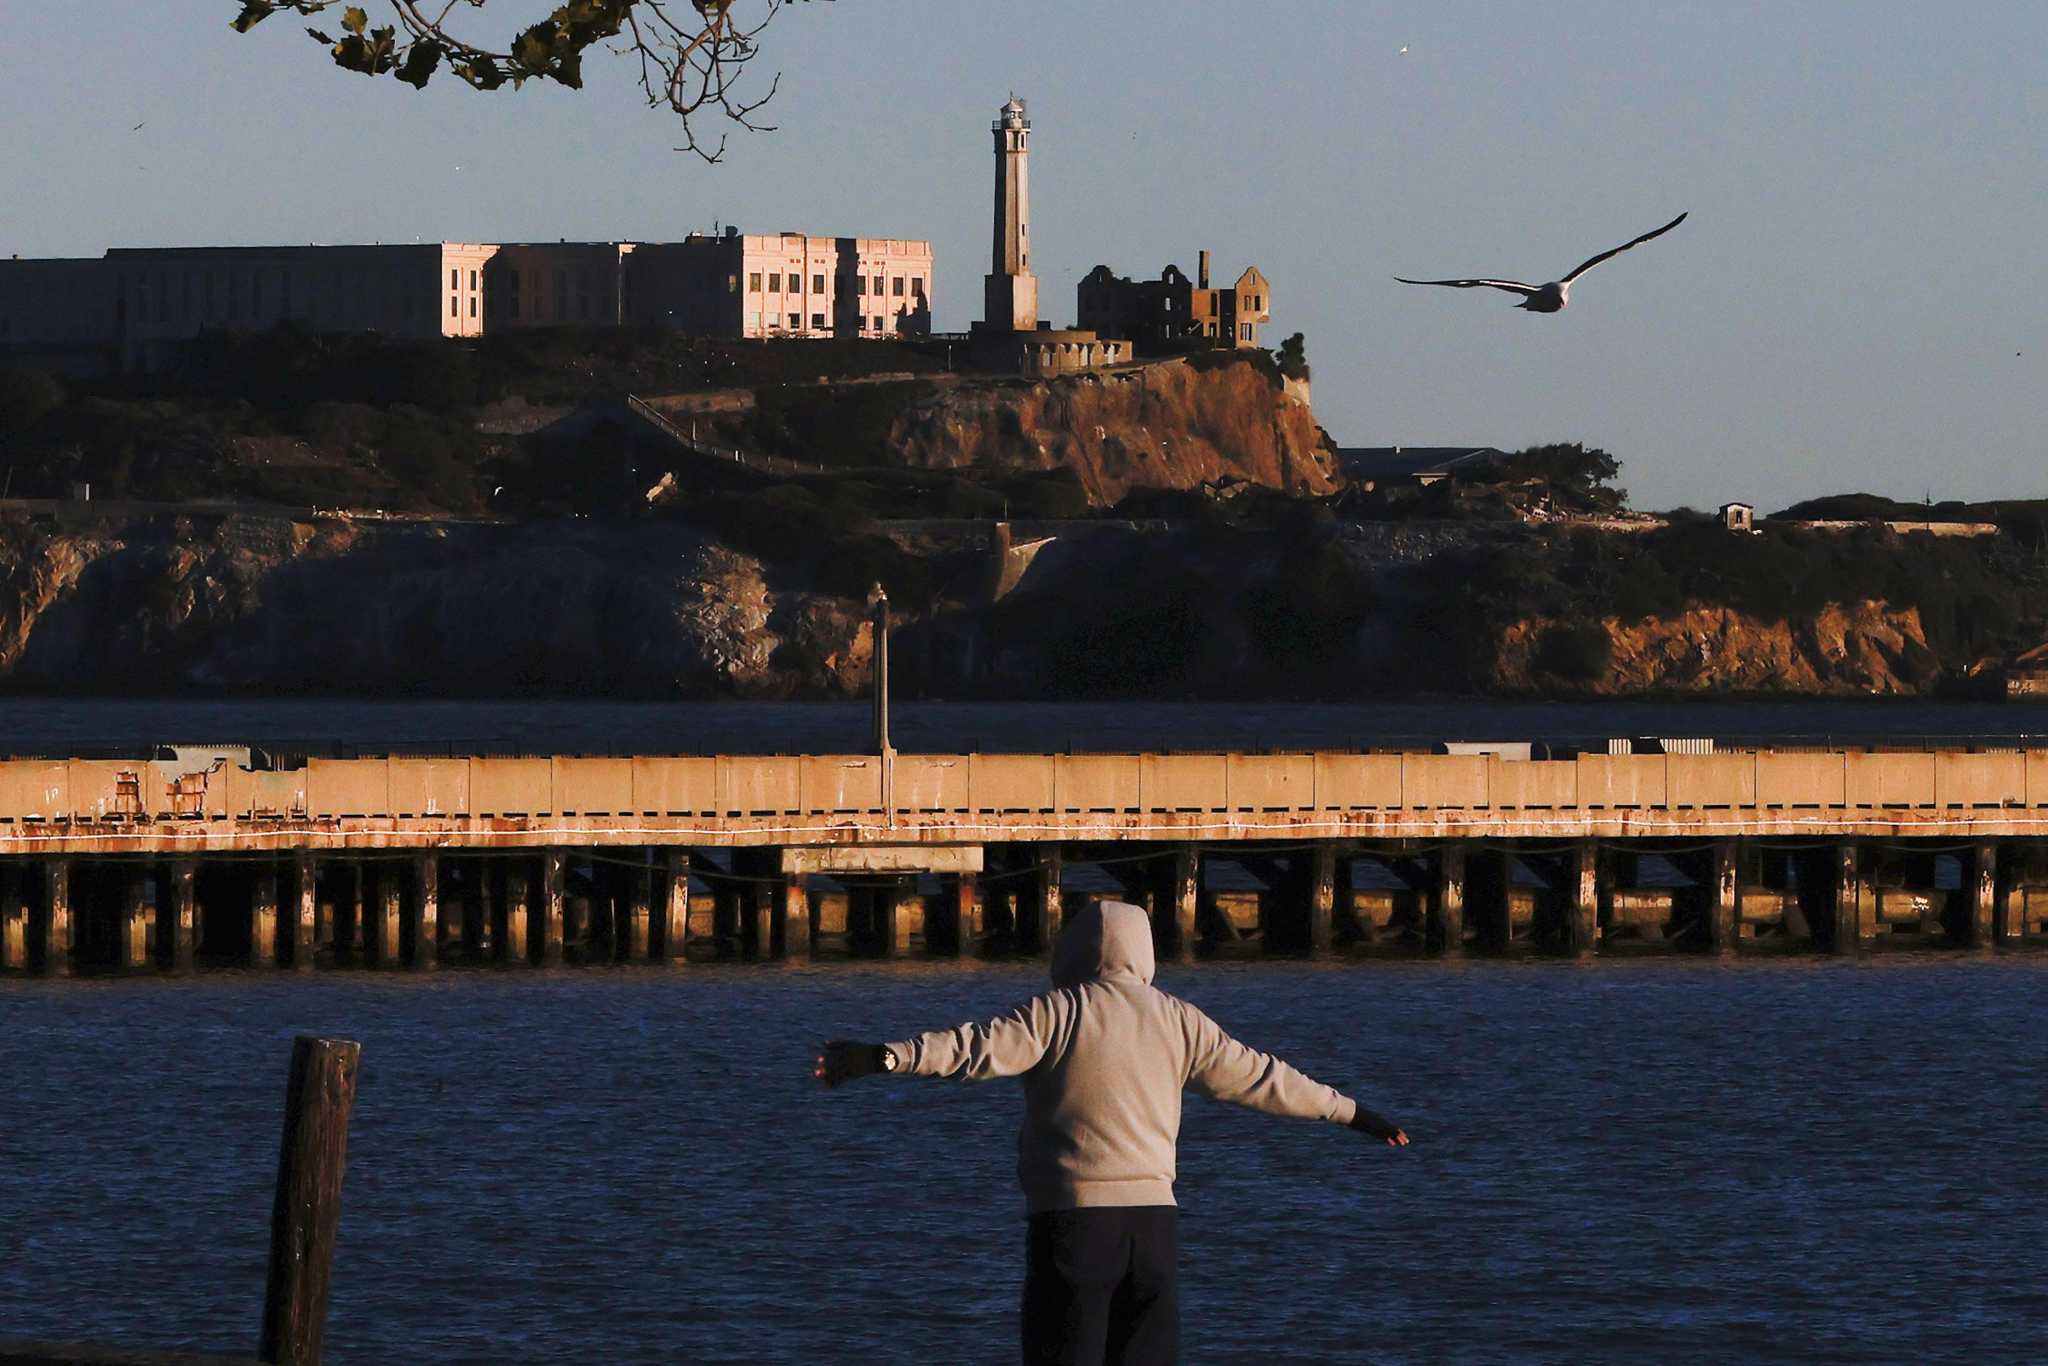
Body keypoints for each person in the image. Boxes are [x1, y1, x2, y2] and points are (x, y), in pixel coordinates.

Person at [815, 898, 1408, 1366]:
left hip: (1074, 1225)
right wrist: (1355, 1113)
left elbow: (972, 1050)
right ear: (1145, 952)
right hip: (1155, 1229)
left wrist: (885, 1057)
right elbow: (1265, 1079)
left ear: (1073, 950)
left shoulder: (1058, 1011)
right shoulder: (1180, 1019)